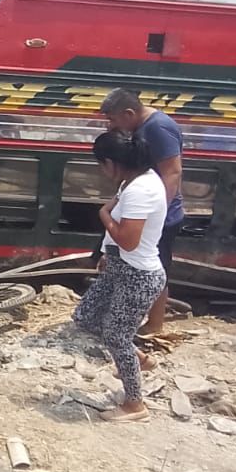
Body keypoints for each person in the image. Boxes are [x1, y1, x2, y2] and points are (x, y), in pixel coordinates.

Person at [71, 130, 168, 421]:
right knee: (86, 317)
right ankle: (141, 360)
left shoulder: (140, 190)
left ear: (112, 163)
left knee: (117, 336)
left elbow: (128, 240)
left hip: (138, 276)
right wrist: (105, 252)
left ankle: (135, 404)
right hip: (120, 268)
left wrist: (103, 214)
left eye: (101, 164)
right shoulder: (134, 181)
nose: (102, 171)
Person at [100, 88, 183, 334]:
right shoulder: (143, 127)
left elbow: (172, 172)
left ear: (128, 113)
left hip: (156, 215)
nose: (111, 125)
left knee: (154, 268)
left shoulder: (157, 128)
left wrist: (155, 215)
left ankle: (155, 325)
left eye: (113, 119)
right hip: (141, 209)